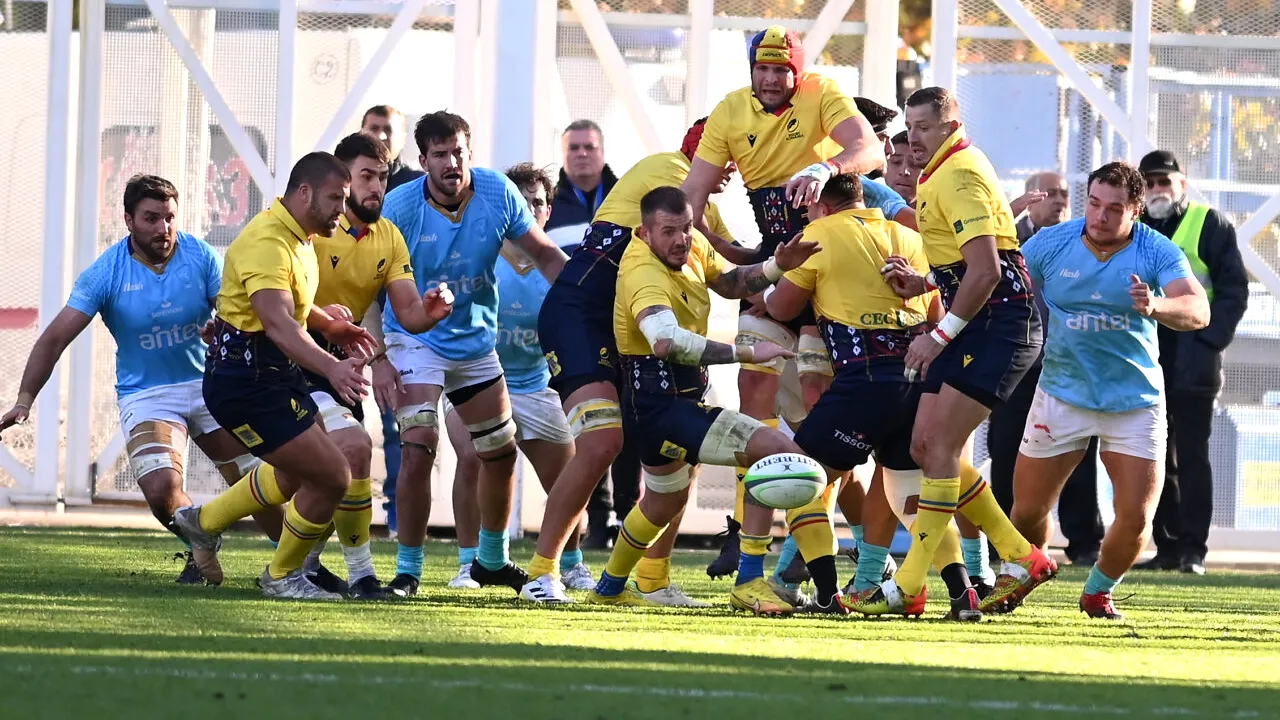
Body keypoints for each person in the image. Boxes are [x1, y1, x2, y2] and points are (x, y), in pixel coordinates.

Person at [0, 175, 280, 585]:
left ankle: (297, 564)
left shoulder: (200, 255)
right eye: (151, 218)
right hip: (149, 396)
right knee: (161, 489)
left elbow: (234, 310)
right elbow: (55, 337)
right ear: (128, 220)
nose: (163, 229)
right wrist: (25, 399)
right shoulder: (105, 273)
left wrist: (221, 326)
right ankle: (199, 550)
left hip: (212, 386)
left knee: (254, 479)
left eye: (169, 218)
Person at [681, 25, 883, 579]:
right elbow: (691, 202)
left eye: (781, 70)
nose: (771, 79)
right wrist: (694, 254)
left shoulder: (823, 92)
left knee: (823, 423)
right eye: (762, 69)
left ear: (797, 71)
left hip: (829, 270)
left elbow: (866, 146)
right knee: (755, 406)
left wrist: (826, 166)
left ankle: (867, 559)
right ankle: (749, 562)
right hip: (779, 263)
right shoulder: (729, 112)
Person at [522, 120, 736, 606]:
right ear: (699, 150)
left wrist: (782, 257)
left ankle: (652, 578)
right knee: (601, 443)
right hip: (582, 317)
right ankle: (543, 571)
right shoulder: (668, 171)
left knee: (679, 452)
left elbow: (732, 267)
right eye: (727, 154)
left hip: (631, 330)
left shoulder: (701, 211)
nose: (733, 169)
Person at [588, 185, 815, 614]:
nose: (681, 239)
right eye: (669, 231)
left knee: (665, 499)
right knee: (774, 451)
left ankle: (610, 584)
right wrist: (747, 353)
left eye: (687, 228)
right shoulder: (641, 270)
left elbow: (730, 282)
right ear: (644, 233)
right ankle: (750, 580)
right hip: (660, 405)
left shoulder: (689, 249)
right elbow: (665, 342)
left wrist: (775, 266)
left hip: (671, 399)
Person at [872, 86, 1054, 617]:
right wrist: (924, 283)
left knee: (938, 446)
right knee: (929, 446)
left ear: (951, 124)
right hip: (977, 322)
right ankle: (1022, 557)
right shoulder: (939, 173)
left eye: (925, 127)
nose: (914, 138)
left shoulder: (962, 172)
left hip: (1001, 325)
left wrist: (937, 334)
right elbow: (963, 265)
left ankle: (909, 586)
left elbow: (989, 271)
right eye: (910, 128)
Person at [766, 175, 982, 619]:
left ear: (823, 208)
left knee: (798, 478)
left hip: (863, 380)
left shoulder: (819, 234)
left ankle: (826, 596)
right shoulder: (908, 236)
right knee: (910, 497)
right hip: (915, 383)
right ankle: (963, 595)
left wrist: (778, 273)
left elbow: (781, 308)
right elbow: (938, 313)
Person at [375, 111, 567, 598]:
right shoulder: (399, 208)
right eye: (440, 154)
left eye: (458, 151)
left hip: (476, 341)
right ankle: (408, 570)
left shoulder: (498, 192)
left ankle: (491, 561)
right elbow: (368, 288)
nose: (451, 162)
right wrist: (377, 357)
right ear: (423, 161)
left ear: (470, 153)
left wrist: (585, 302)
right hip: (414, 338)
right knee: (419, 448)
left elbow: (543, 254)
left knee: (499, 454)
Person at [175, 153, 379, 600]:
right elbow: (279, 324)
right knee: (333, 476)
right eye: (335, 199)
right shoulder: (268, 241)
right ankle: (284, 576)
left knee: (296, 474)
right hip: (244, 382)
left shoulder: (298, 235)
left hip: (271, 374)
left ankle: (202, 523)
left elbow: (294, 308)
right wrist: (331, 367)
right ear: (303, 192)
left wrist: (330, 326)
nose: (341, 211)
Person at [1011, 161, 1210, 619]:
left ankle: (1098, 590)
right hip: (1062, 392)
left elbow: (1198, 309)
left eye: (1114, 209)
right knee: (1025, 512)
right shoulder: (1053, 242)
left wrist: (1156, 304)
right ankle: (1028, 569)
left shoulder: (1156, 250)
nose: (1099, 217)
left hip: (1133, 401)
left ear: (1136, 211)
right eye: (1094, 204)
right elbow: (996, 280)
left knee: (1136, 518)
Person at [291, 132, 453, 599]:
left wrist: (430, 310)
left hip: (337, 368)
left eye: (382, 177)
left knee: (337, 468)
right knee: (351, 452)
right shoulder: (312, 229)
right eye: (366, 177)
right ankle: (357, 575)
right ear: (341, 180)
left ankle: (303, 564)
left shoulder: (389, 237)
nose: (376, 188)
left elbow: (407, 314)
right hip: (288, 362)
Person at [442, 163, 588, 592]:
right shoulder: (480, 257)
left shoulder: (558, 265)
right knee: (472, 458)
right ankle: (470, 564)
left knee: (570, 477)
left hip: (536, 385)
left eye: (538, 202)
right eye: (519, 201)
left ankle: (572, 562)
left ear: (547, 212)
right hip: (478, 379)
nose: (529, 208)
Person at [1135, 150, 1248, 576]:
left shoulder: (1209, 223)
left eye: (1165, 181)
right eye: (1149, 183)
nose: (1157, 190)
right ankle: (1165, 547)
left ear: (1182, 184)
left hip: (1195, 358)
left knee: (1193, 455)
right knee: (1152, 454)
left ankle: (1192, 551)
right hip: (1145, 357)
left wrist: (1209, 343)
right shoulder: (1135, 228)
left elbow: (1233, 289)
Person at [988, 171, 1105, 567]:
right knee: (1005, 450)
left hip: (1069, 366)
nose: (1058, 200)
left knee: (1078, 451)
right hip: (1017, 364)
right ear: (1029, 197)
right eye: (1049, 192)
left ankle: (1084, 541)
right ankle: (1001, 537)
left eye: (1065, 194)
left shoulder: (1085, 243)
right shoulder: (1005, 240)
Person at [360, 103, 426, 536]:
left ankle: (401, 519)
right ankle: (341, 513)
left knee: (402, 425)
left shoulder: (417, 189)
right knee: (345, 421)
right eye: (374, 129)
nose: (381, 137)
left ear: (402, 139)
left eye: (389, 130)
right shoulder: (343, 181)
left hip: (403, 321)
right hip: (349, 316)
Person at [546, 119, 619, 244]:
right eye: (573, 148)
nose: (582, 153)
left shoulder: (627, 200)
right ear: (563, 154)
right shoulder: (547, 206)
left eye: (589, 147)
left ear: (602, 152)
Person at [885, 131, 920, 206]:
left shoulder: (942, 214)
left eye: (914, 164)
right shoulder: (864, 209)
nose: (904, 172)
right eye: (896, 162)